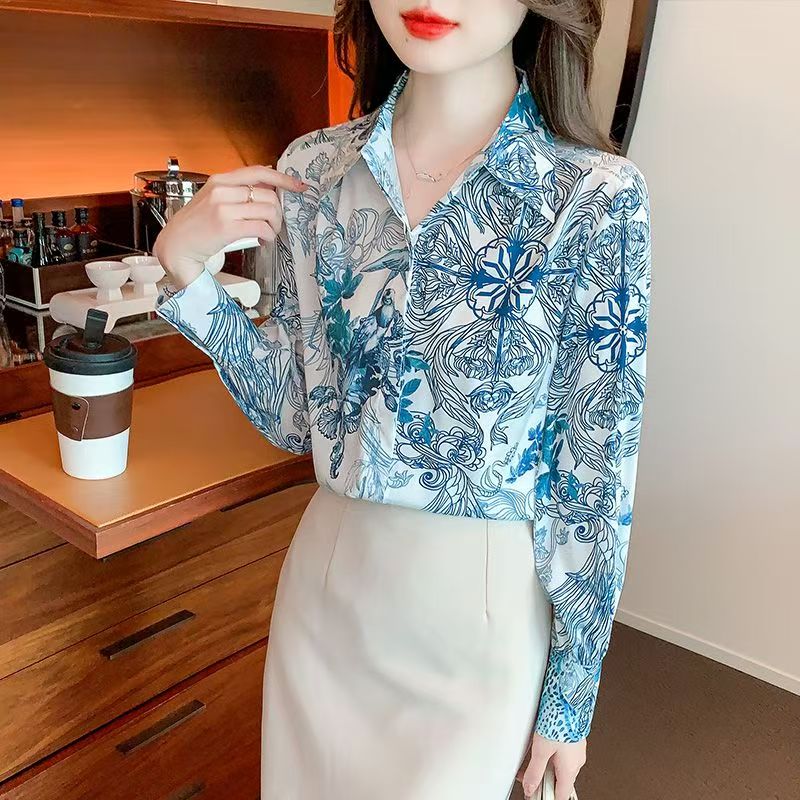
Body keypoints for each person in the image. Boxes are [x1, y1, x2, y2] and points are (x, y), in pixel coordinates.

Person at [152, 1, 651, 798]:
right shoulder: (315, 169)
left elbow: (596, 471)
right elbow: (297, 415)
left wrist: (571, 696)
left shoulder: (592, 195)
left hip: (476, 616)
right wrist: (188, 274)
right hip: (327, 593)